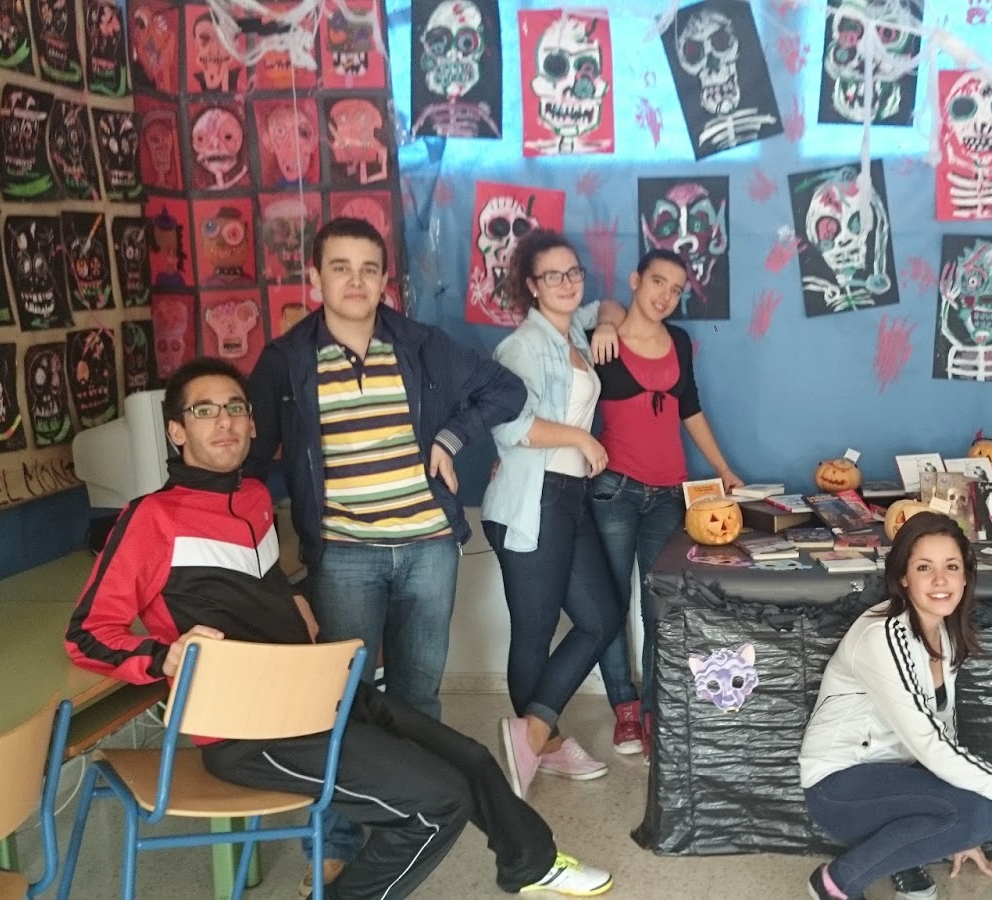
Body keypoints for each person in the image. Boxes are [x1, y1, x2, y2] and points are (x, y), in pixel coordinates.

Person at [65, 358, 613, 900]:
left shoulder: (252, 498)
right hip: (248, 731)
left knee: (469, 757)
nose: (224, 421)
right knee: (437, 804)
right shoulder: (151, 518)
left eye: (235, 408)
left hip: (315, 693)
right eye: (204, 411)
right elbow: (87, 633)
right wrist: (162, 655)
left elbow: (255, 584)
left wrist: (296, 600)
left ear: (252, 424)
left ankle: (533, 865)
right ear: (177, 431)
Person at [244, 216, 527, 884]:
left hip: (429, 549)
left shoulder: (420, 345)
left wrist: (451, 438)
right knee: (340, 703)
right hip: (344, 556)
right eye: (340, 267)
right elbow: (255, 460)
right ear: (314, 276)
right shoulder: (285, 360)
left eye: (369, 269)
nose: (356, 281)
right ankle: (337, 842)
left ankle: (414, 821)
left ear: (384, 280)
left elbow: (506, 391)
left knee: (417, 697)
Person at [798, 512, 992, 900]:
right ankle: (836, 882)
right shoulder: (883, 635)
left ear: (965, 576)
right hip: (839, 787)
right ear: (903, 577)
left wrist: (960, 833)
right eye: (924, 567)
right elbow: (933, 749)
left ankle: (904, 855)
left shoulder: (944, 633)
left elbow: (943, 732)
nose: (940, 580)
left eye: (951, 566)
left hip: (898, 776)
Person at [483, 229, 625, 799]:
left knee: (601, 617)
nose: (567, 283)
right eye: (553, 276)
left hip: (569, 499)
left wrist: (607, 324)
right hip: (532, 499)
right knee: (535, 630)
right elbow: (509, 426)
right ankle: (544, 741)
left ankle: (535, 734)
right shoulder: (523, 347)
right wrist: (582, 439)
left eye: (574, 272)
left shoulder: (575, 331)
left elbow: (610, 306)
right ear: (532, 286)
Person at [585, 248, 744, 756]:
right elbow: (560, 395)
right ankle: (625, 709)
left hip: (669, 496)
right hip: (614, 490)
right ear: (636, 280)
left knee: (661, 606)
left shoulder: (678, 341)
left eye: (676, 290)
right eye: (658, 282)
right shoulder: (602, 341)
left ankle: (655, 708)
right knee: (610, 606)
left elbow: (689, 408)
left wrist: (723, 469)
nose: (666, 296)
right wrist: (605, 319)